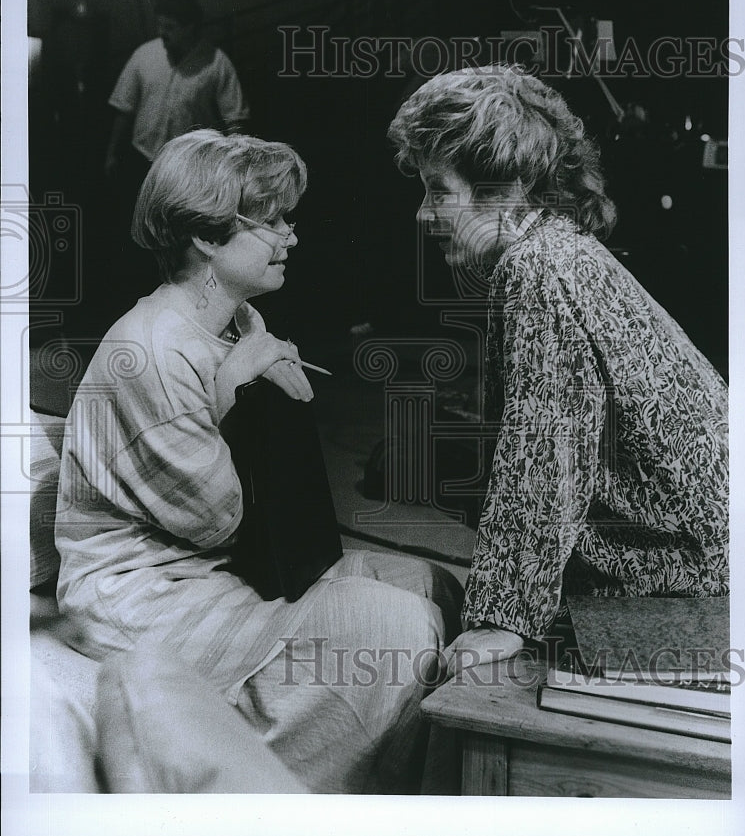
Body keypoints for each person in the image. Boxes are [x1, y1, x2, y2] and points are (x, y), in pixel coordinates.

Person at [54, 129, 463, 794]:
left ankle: (417, 798)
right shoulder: (150, 348)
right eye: (272, 221)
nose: (291, 236)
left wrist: (257, 374)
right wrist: (238, 383)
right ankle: (319, 807)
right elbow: (215, 519)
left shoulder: (236, 320)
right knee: (395, 627)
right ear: (209, 238)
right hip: (144, 594)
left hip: (218, 568)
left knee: (430, 583)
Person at [387, 64, 728, 677]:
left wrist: (501, 619)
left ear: (504, 188)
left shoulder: (539, 271)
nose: (421, 214)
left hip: (696, 582)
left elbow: (547, 454)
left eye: (438, 190)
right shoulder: (557, 248)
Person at [104, 0, 250, 187]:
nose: (161, 33)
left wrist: (236, 164)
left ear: (189, 28)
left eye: (170, 27)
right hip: (142, 158)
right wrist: (111, 153)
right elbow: (123, 107)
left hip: (190, 164)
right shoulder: (144, 54)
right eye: (159, 25)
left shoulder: (216, 63)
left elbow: (235, 118)